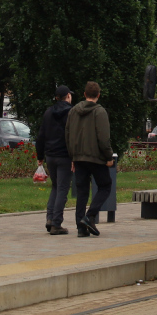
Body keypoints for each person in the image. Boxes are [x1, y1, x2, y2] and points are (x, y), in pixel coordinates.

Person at [65, 81, 114, 237]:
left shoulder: (73, 111)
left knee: (82, 192)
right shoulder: (100, 112)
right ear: (98, 95)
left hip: (78, 157)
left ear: (84, 94)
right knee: (105, 185)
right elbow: (104, 138)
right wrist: (108, 156)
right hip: (96, 158)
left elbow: (68, 135)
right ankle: (90, 216)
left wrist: (72, 156)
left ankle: (81, 228)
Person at [36, 85, 74, 235]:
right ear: (68, 96)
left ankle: (50, 218)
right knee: (63, 188)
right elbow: (73, 136)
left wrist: (40, 156)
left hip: (50, 155)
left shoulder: (48, 112)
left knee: (55, 187)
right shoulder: (72, 113)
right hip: (65, 155)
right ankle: (56, 223)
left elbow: (41, 136)